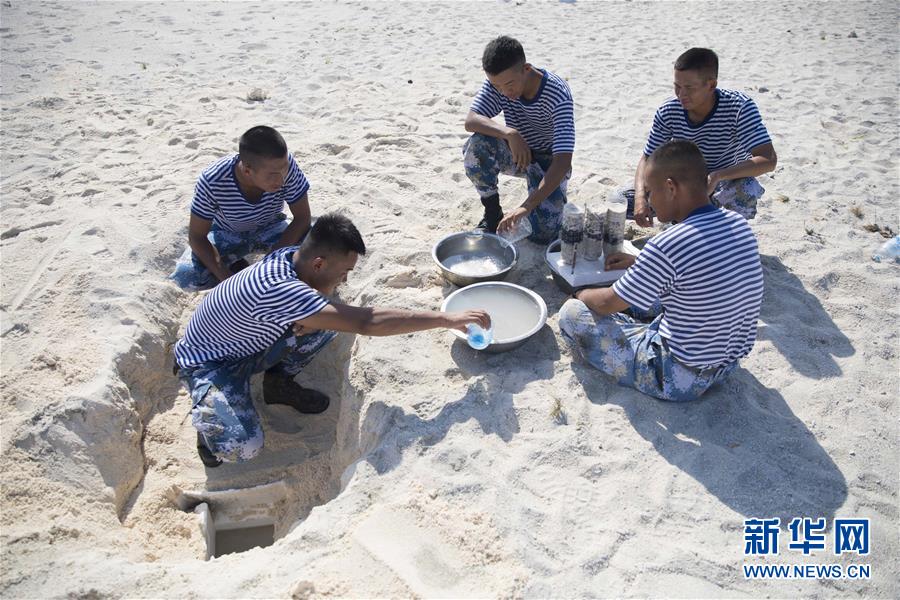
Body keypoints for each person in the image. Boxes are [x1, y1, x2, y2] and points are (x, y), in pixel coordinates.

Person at [173, 213, 490, 467]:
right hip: (209, 361)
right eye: (344, 271)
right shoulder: (280, 289)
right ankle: (209, 432)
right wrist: (446, 318)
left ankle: (278, 385)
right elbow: (368, 321)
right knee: (243, 446)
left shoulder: (291, 258)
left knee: (327, 322)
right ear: (319, 264)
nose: (346, 279)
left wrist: (313, 310)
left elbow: (327, 301)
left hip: (246, 341)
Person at [559, 140, 763, 401]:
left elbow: (608, 303)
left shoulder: (669, 243)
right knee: (651, 296)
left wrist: (580, 294)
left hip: (679, 375)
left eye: (651, 192)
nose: (651, 201)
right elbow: (699, 271)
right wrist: (640, 263)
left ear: (670, 187)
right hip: (725, 364)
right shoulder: (737, 223)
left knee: (572, 314)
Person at [630, 48, 777, 226]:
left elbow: (768, 159)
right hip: (683, 183)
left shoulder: (739, 107)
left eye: (689, 88)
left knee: (746, 189)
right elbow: (647, 157)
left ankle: (719, 227)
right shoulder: (669, 110)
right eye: (677, 86)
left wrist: (717, 176)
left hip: (725, 182)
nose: (681, 94)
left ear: (711, 85)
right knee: (622, 198)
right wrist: (640, 197)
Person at [170, 125, 314, 291]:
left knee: (317, 252)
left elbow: (302, 218)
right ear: (247, 170)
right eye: (273, 176)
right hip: (226, 234)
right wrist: (227, 279)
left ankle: (248, 267)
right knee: (186, 277)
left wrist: (269, 263)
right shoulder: (212, 180)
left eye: (284, 170)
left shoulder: (284, 166)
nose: (282, 180)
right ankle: (235, 266)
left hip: (271, 227)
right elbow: (197, 236)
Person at [462, 35, 575, 244]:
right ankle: (492, 213)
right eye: (497, 87)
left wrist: (525, 207)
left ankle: (548, 200)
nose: (505, 92)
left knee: (543, 235)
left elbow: (563, 161)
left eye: (509, 85)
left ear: (526, 69)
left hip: (549, 162)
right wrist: (510, 134)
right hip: (518, 153)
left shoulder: (558, 94)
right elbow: (471, 120)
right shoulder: (499, 82)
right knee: (476, 147)